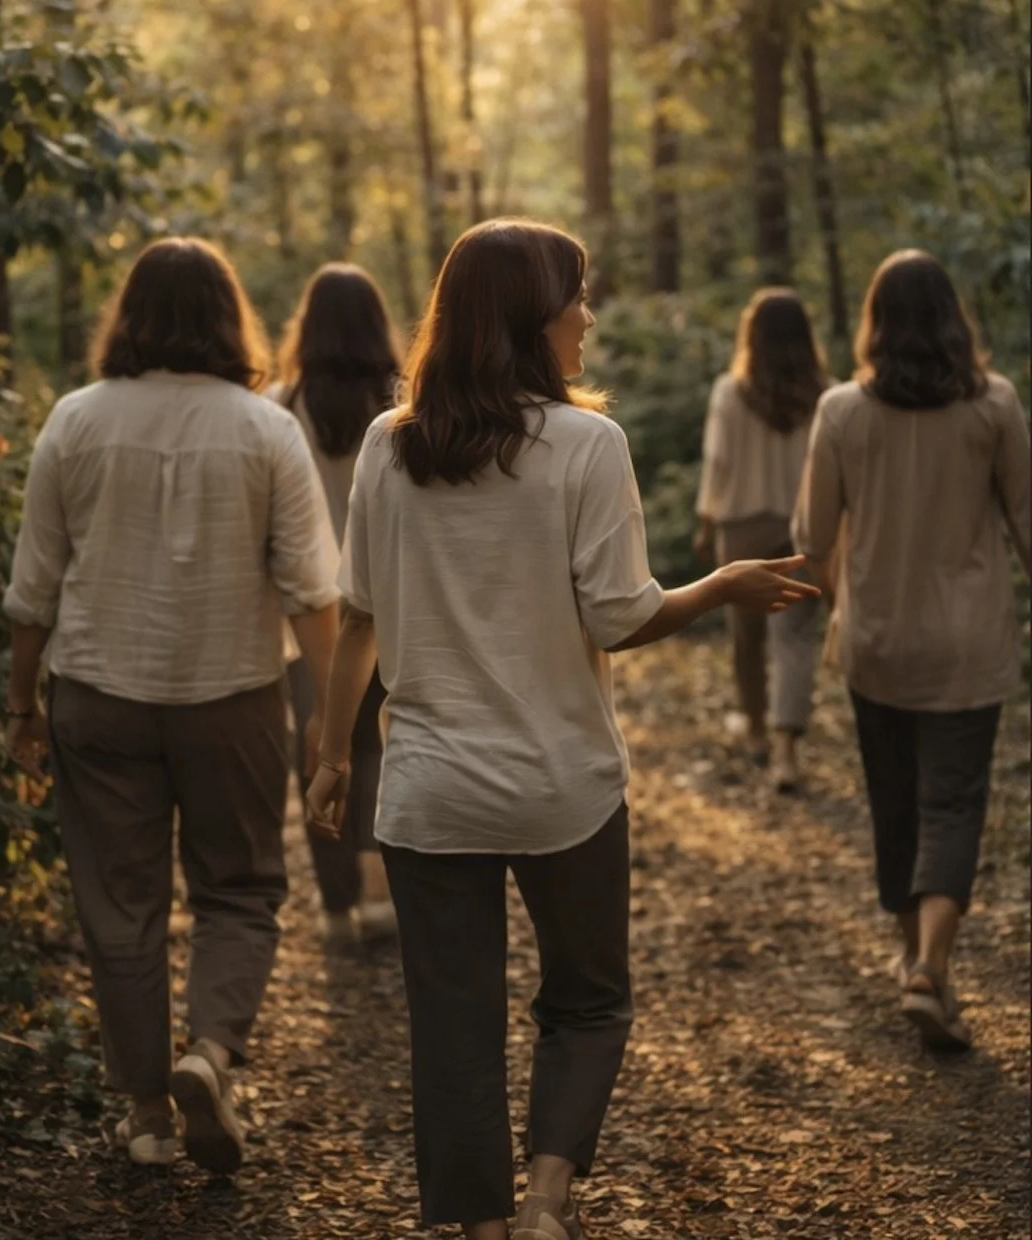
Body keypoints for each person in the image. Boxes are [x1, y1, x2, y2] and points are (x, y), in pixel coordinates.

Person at [306, 220, 818, 1240]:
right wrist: (717, 583)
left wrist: (328, 756)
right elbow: (620, 618)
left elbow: (357, 616)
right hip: (562, 786)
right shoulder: (587, 445)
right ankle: (544, 1202)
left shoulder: (387, 441)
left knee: (451, 1028)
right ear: (530, 316)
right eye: (575, 298)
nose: (586, 317)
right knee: (585, 1002)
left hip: (426, 788)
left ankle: (484, 1229)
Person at [3, 238, 340, 1171]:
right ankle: (210, 1050)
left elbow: (35, 586)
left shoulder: (74, 421)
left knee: (121, 901)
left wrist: (21, 705)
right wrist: (325, 718)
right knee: (240, 888)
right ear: (230, 317)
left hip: (98, 696)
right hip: (231, 695)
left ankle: (149, 1113)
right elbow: (313, 590)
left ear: (130, 316)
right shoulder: (267, 429)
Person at [793, 249, 1030, 1050]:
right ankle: (931, 965)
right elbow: (1029, 522)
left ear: (877, 322)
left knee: (895, 804)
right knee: (954, 804)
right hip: (969, 644)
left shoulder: (842, 412)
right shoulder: (993, 405)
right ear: (952, 318)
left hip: (879, 641)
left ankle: (916, 965)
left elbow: (811, 536)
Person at [271, 262, 402, 946]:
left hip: (308, 610)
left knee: (320, 743)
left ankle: (334, 907)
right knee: (378, 739)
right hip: (390, 599)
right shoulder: (405, 405)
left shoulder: (278, 407)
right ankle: (380, 887)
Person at [693, 288, 829, 791]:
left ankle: (754, 732)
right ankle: (788, 752)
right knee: (794, 637)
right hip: (802, 526)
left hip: (743, 524)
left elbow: (717, 464)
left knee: (746, 637)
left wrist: (706, 524)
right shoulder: (827, 393)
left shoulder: (732, 391)